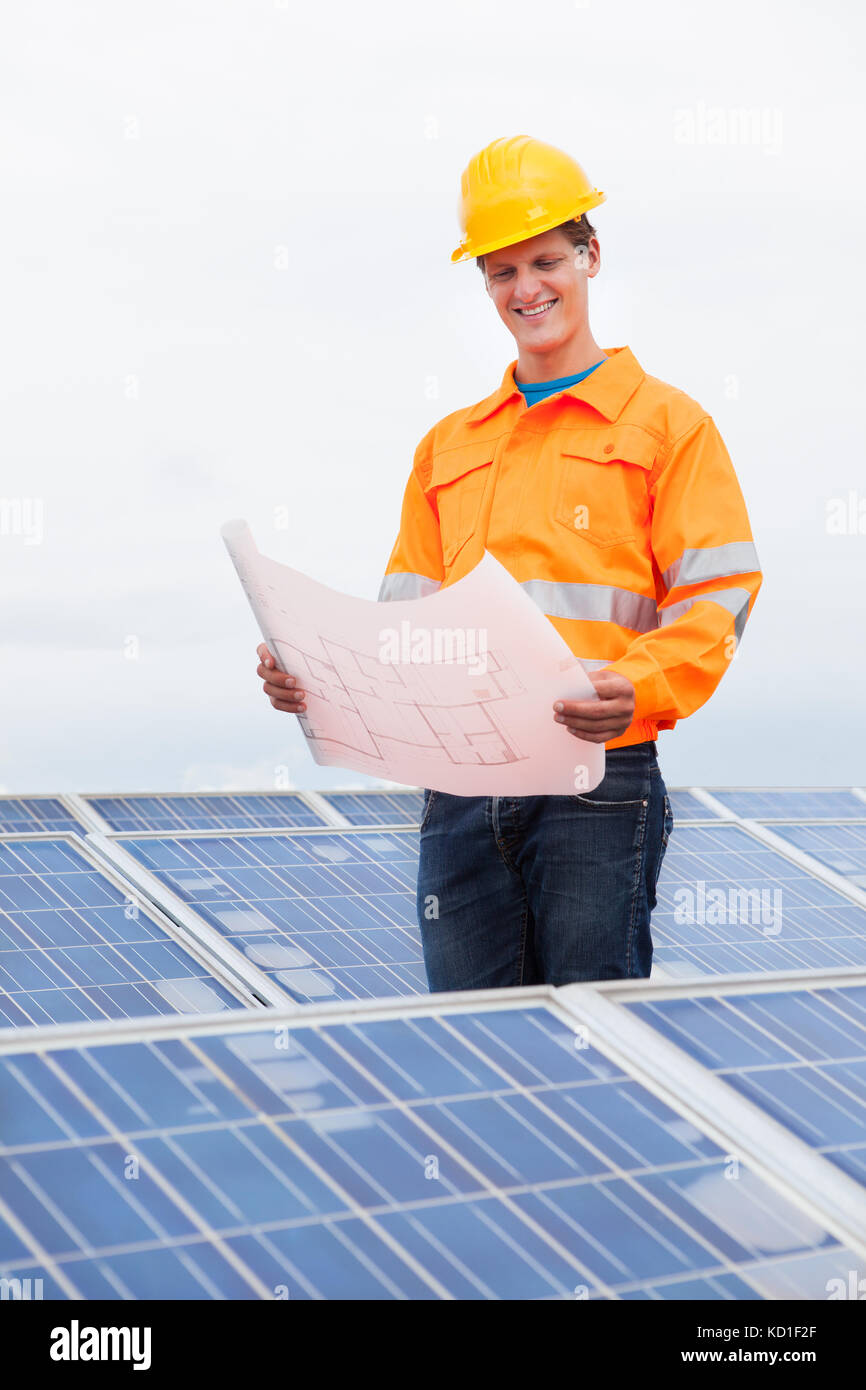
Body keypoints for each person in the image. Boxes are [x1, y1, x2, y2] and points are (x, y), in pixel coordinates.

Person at [257, 133, 763, 992]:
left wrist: (640, 687)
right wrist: (318, 679)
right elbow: (402, 625)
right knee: (471, 1048)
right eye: (501, 272)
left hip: (594, 784)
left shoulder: (667, 426)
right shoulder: (447, 447)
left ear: (590, 255)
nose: (526, 289)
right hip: (460, 790)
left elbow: (718, 593)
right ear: (484, 283)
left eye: (545, 261)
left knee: (593, 1051)